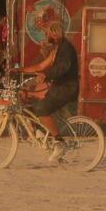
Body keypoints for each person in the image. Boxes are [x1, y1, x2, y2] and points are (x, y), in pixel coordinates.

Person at [27, 22, 79, 159]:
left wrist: (47, 75)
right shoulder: (58, 47)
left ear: (55, 33)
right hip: (59, 87)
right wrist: (19, 70)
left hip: (67, 88)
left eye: (47, 33)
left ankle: (59, 142)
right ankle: (40, 131)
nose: (46, 36)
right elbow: (41, 66)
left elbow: (63, 67)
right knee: (33, 101)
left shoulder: (66, 48)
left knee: (43, 109)